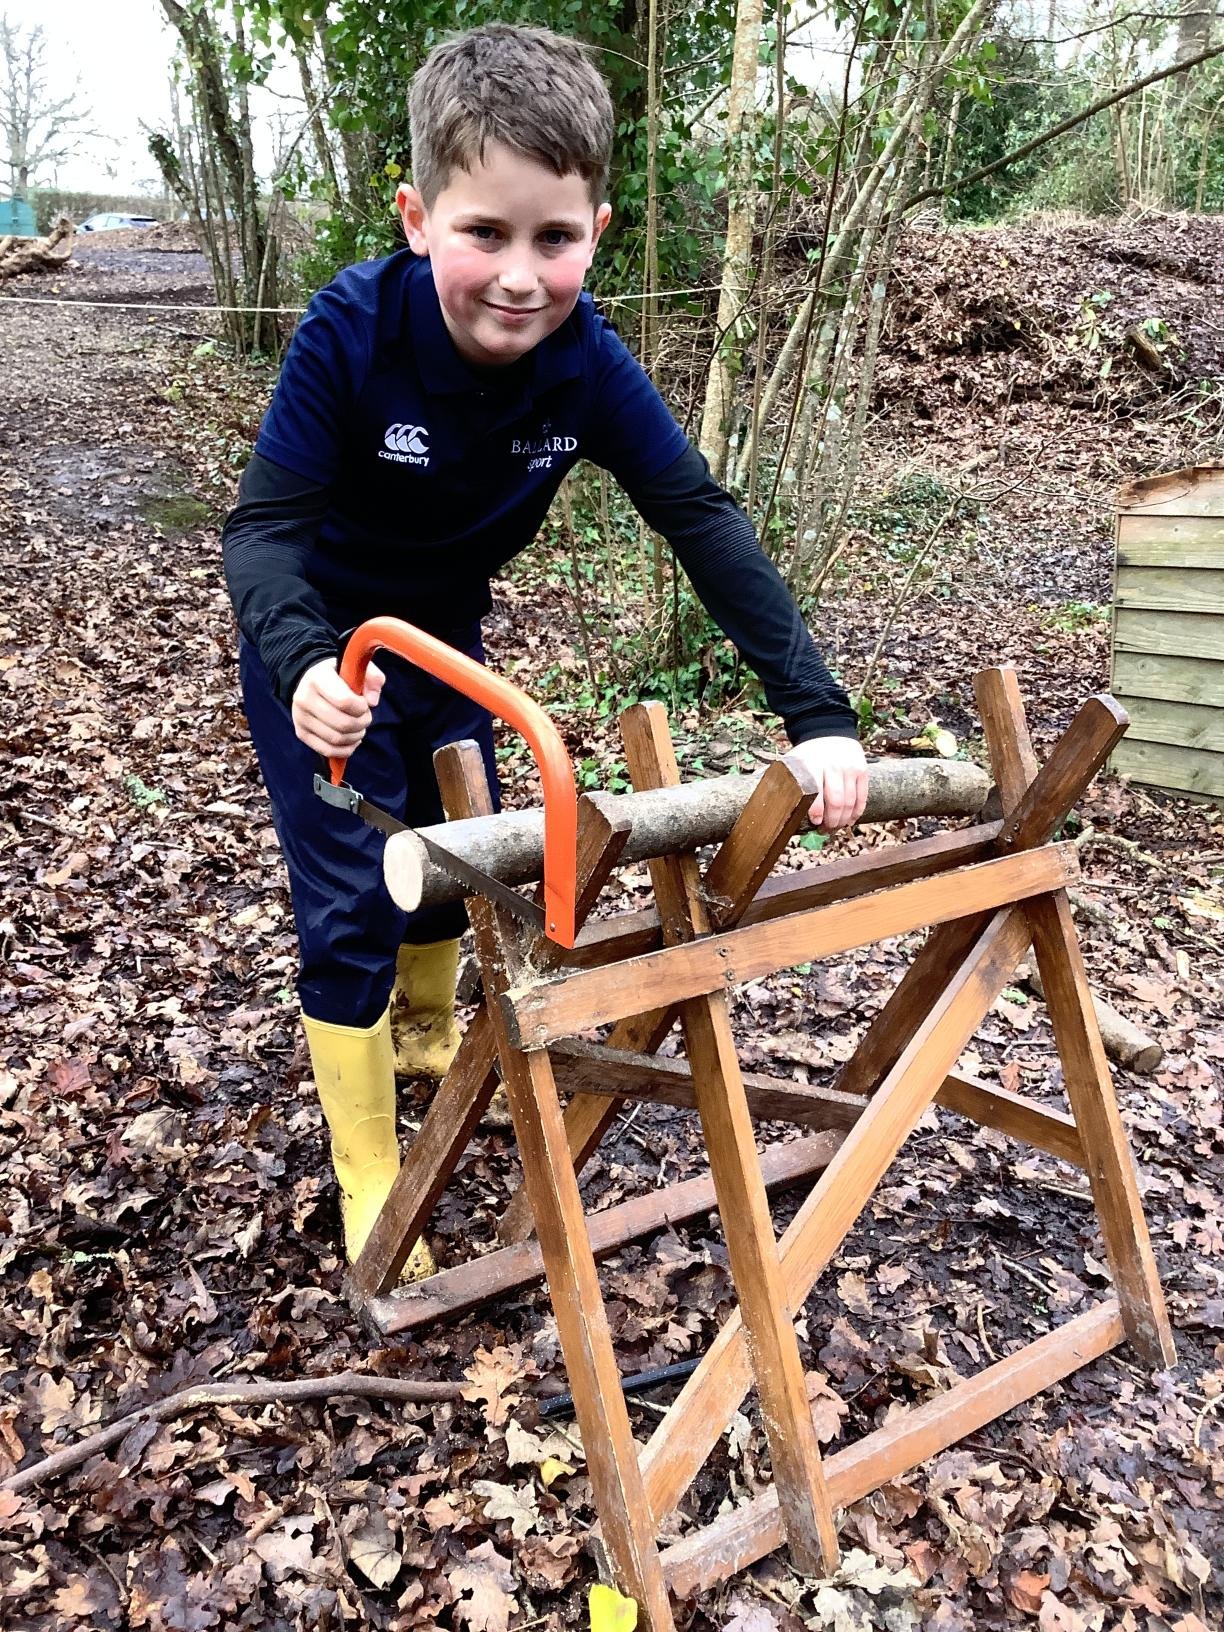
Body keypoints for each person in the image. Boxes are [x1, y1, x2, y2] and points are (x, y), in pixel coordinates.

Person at [222, 22, 868, 1277]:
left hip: (447, 646)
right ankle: (370, 1173)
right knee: (351, 895)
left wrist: (819, 714)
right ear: (419, 220)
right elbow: (262, 533)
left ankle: (423, 1031)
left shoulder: (585, 366)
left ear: (596, 233)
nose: (520, 277)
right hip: (324, 655)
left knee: (458, 853)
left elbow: (699, 517)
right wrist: (301, 663)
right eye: (487, 233)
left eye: (554, 240)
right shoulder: (349, 332)